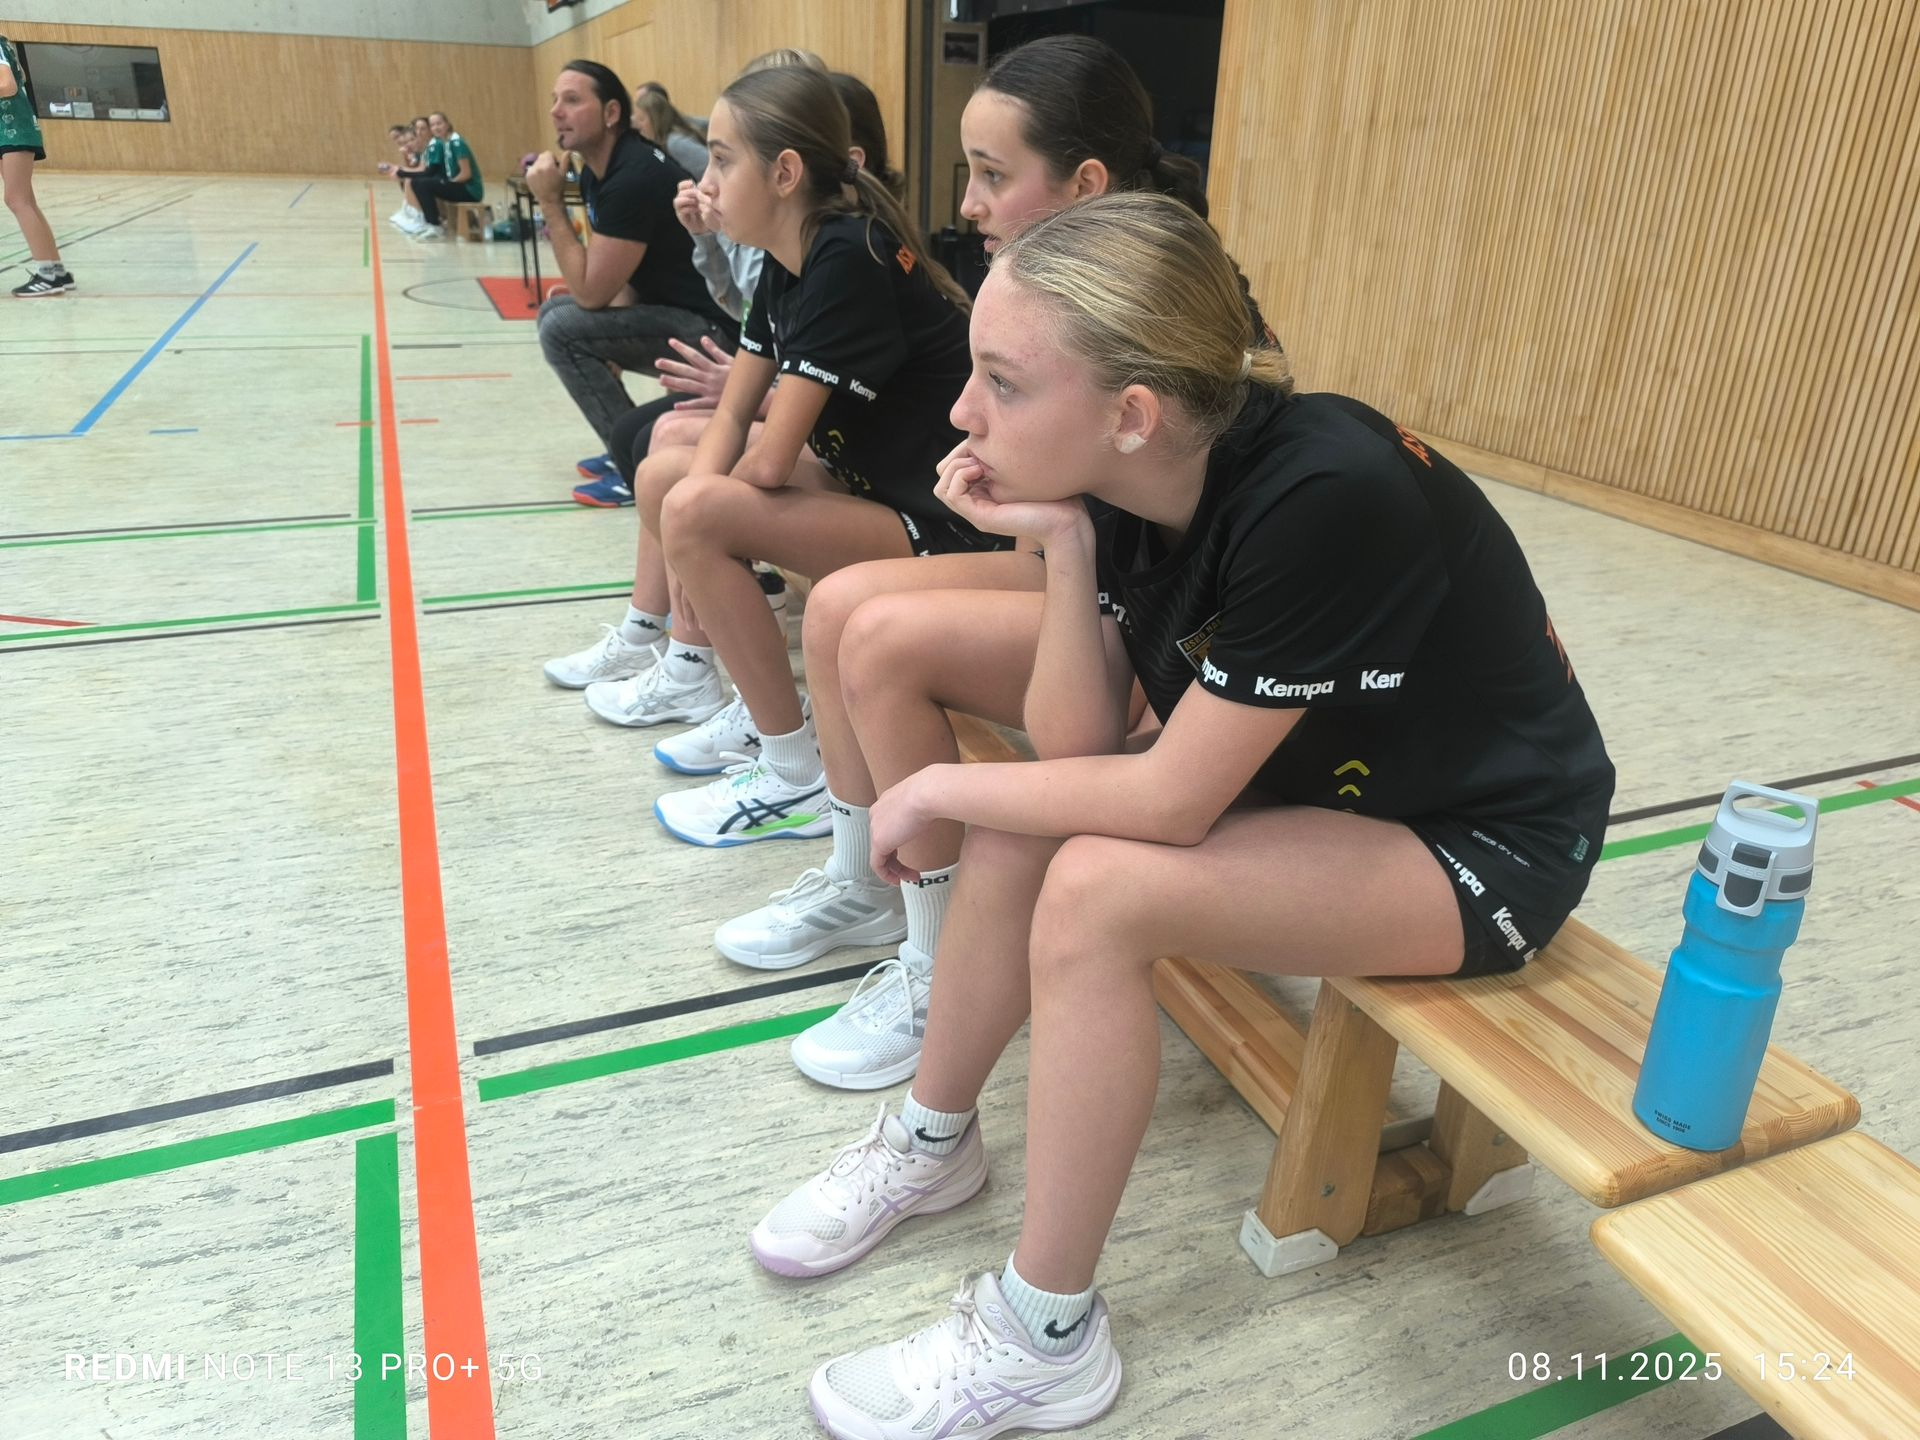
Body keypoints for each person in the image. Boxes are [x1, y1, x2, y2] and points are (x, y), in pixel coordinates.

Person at [755, 190, 1617, 1438]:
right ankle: (933, 1142)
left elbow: (1165, 799)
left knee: (1098, 892)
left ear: (1132, 413)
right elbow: (1076, 745)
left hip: (1484, 841)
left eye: (1001, 382)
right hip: (1320, 777)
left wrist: (934, 783)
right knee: (1028, 816)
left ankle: (1045, 1339)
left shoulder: (1327, 491)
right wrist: (1063, 547)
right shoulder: (1125, 474)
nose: (960, 411)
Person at [713, 35, 1266, 1093]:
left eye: (993, 175)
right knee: (837, 609)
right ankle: (866, 883)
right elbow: (1051, 525)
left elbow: (1148, 547)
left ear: (1087, 185)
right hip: (1085, 575)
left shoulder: (1160, 316)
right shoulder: (1045, 291)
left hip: (1150, 625)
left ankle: (939, 964)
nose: (967, 204)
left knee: (881, 637)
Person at [541, 66, 1009, 838]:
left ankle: (794, 769)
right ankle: (722, 694)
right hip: (873, 490)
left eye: (723, 160)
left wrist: (694, 528)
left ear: (785, 173)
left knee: (696, 508)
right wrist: (686, 532)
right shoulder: (791, 262)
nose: (707, 180)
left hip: (945, 523)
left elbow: (765, 461)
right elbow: (731, 414)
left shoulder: (845, 259)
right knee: (666, 476)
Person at [527, 60, 737, 474]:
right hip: (677, 316)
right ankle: (627, 450)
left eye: (572, 100)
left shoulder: (632, 177)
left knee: (560, 327)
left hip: (716, 334)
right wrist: (609, 341)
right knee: (555, 312)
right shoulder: (602, 171)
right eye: (554, 100)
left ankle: (632, 468)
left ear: (611, 113)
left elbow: (590, 291)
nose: (556, 111)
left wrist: (550, 203)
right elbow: (618, 276)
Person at [1, 32, 74, 298]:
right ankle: (56, 271)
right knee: (26, 201)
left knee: (17, 200)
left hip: (13, 131)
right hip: (12, 130)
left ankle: (47, 275)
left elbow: (7, 85)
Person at [397, 111, 483, 239]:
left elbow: (466, 174)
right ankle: (430, 223)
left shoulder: (457, 143)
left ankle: (434, 226)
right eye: (432, 125)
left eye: (439, 123)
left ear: (447, 124)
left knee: (424, 184)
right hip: (458, 185)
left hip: (470, 190)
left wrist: (447, 184)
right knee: (417, 182)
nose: (436, 127)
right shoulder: (445, 143)